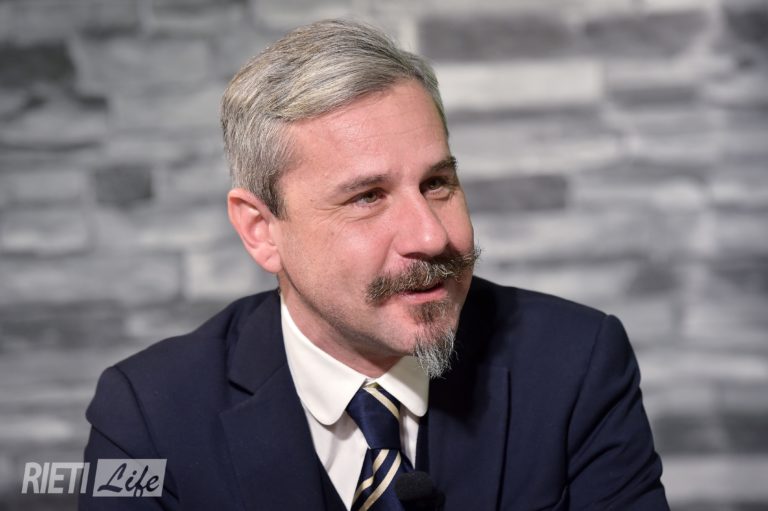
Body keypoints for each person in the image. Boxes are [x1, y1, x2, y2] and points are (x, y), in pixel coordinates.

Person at [81, 19, 670, 510]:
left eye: (437, 183)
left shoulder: (577, 363)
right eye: (367, 197)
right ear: (262, 231)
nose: (431, 236)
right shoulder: (144, 416)